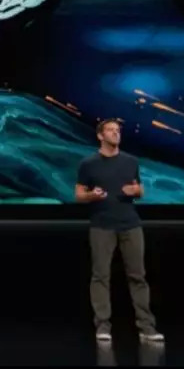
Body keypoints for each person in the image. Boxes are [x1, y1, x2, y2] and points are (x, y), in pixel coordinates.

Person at [75, 118, 165, 343]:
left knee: (138, 276)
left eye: (118, 130)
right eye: (111, 130)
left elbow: (140, 189)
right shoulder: (88, 164)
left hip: (130, 225)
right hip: (101, 225)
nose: (116, 133)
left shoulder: (130, 161)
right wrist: (91, 195)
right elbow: (79, 195)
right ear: (100, 135)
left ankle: (147, 328)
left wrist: (136, 191)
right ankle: (102, 326)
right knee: (101, 276)